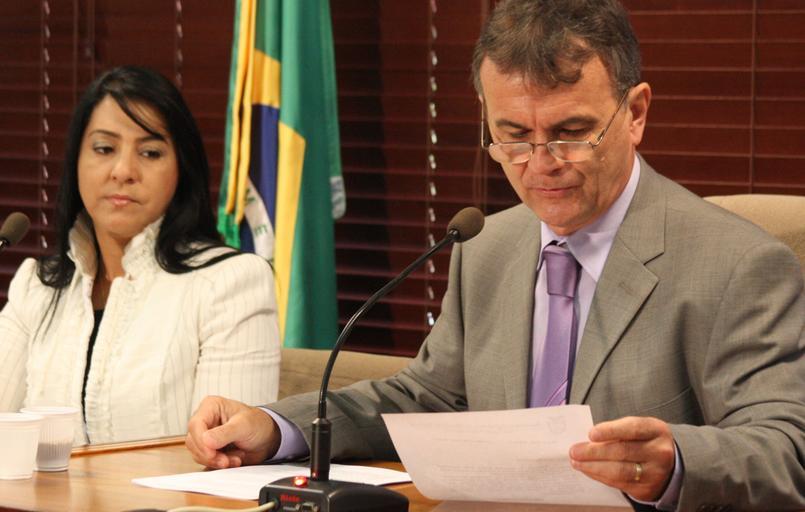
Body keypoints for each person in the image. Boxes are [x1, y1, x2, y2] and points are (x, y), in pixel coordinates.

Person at [184, 1, 805, 510]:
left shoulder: (737, 265)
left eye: (570, 133)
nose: (540, 164)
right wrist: (277, 427)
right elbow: (429, 399)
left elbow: (786, 449)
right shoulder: (486, 246)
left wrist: (678, 463)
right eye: (513, 137)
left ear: (636, 113)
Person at [0, 66, 281, 445]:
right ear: (76, 161)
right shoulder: (37, 286)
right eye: (104, 149)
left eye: (150, 152)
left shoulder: (231, 284)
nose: (123, 171)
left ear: (181, 169)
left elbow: (227, 457)